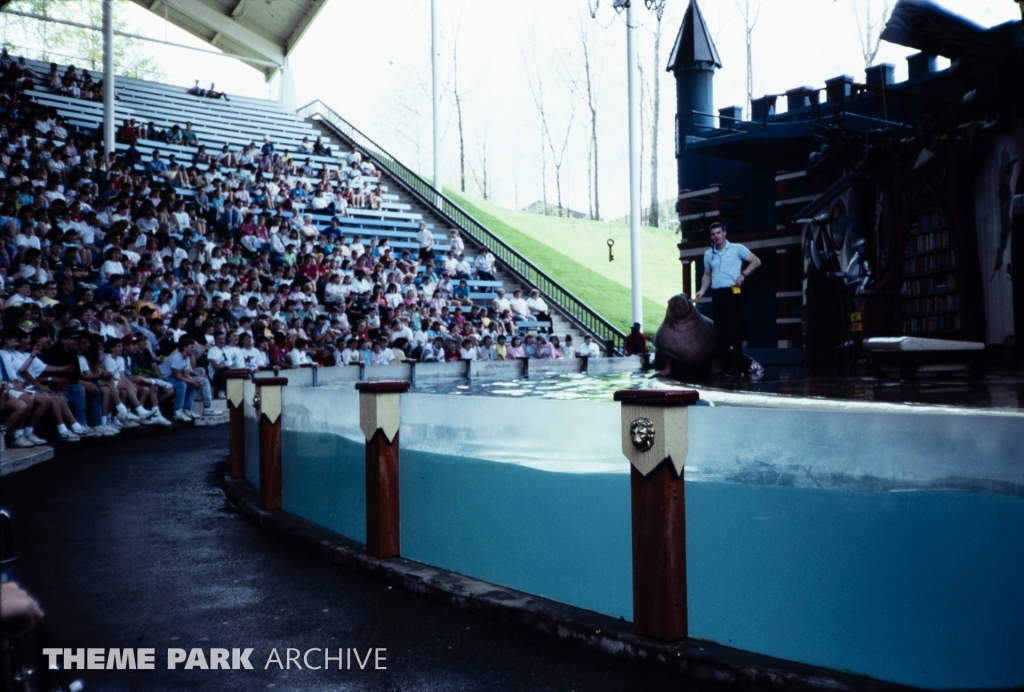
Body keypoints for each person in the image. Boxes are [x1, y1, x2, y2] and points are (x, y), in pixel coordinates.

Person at [694, 221, 761, 377]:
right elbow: (707, 274)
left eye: (718, 233)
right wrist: (703, 289)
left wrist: (743, 275)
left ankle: (737, 368)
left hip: (733, 290)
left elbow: (756, 261)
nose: (716, 236)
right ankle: (726, 369)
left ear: (724, 233)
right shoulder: (708, 254)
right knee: (720, 332)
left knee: (733, 330)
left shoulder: (737, 248)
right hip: (717, 294)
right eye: (713, 234)